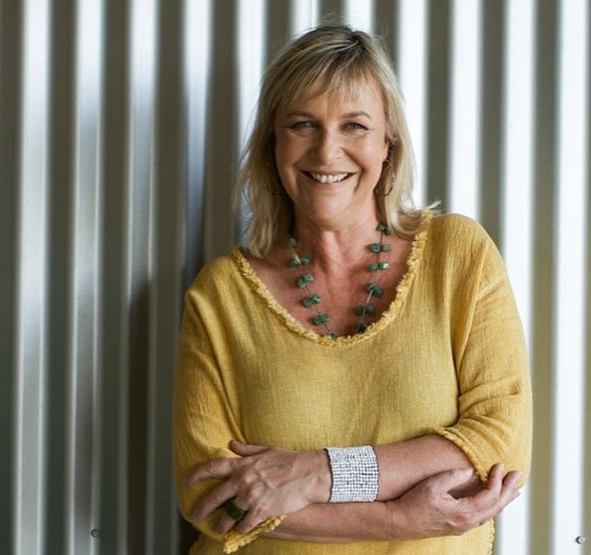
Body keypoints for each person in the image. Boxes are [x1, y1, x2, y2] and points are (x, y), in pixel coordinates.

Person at [172, 24, 532, 554]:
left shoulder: (459, 256)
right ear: (273, 143)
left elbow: (500, 444)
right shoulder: (221, 295)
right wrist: (399, 519)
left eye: (355, 126)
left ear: (389, 143)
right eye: (302, 124)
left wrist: (318, 474)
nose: (327, 150)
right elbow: (208, 493)